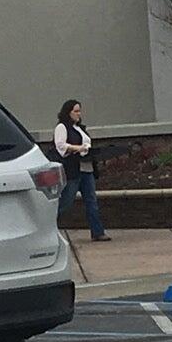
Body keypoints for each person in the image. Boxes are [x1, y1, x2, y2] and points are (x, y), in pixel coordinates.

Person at [54, 98, 108, 240]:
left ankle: (98, 232)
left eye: (79, 111)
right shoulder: (62, 127)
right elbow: (61, 146)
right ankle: (48, 226)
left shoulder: (80, 128)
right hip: (73, 170)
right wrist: (78, 148)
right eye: (76, 111)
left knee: (91, 201)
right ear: (68, 112)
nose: (79, 114)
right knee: (66, 201)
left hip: (87, 169)